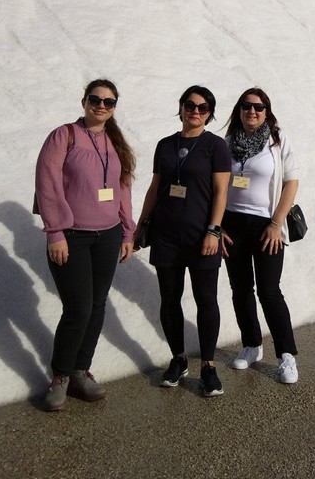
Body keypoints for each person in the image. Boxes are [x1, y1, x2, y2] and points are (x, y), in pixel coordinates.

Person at [35, 79, 136, 412]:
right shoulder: (64, 136)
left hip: (107, 236)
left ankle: (81, 369)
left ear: (114, 107)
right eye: (96, 99)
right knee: (78, 308)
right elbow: (47, 184)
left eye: (109, 102)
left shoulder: (114, 142)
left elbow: (122, 189)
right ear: (84, 101)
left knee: (96, 305)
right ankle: (61, 375)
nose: (102, 106)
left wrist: (127, 231)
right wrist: (55, 233)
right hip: (72, 236)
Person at [134, 86, 231, 397]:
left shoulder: (215, 146)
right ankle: (178, 359)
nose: (195, 111)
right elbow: (154, 188)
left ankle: (208, 365)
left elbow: (221, 192)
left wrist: (214, 230)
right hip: (166, 235)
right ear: (181, 107)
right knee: (169, 299)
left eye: (203, 108)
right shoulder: (165, 145)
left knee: (206, 300)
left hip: (201, 236)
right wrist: (139, 227)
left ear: (210, 114)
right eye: (190, 105)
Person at [221, 87, 301, 384]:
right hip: (232, 224)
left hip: (267, 224)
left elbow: (291, 183)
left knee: (269, 290)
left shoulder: (277, 142)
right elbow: (217, 188)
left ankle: (286, 356)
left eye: (258, 107)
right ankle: (252, 345)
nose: (251, 111)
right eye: (246, 106)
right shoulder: (227, 143)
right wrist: (218, 226)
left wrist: (276, 223)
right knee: (240, 288)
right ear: (238, 110)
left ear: (267, 111)